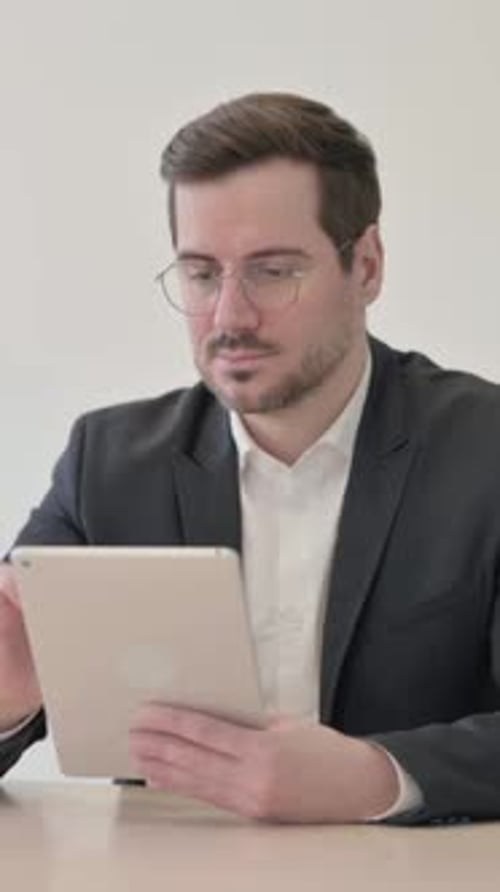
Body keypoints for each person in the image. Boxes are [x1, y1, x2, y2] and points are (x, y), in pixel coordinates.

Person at [1, 92, 500, 825]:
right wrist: (8, 704)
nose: (229, 317)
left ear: (365, 266)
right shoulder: (107, 465)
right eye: (202, 273)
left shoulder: (485, 450)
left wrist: (378, 778)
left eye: (273, 271)